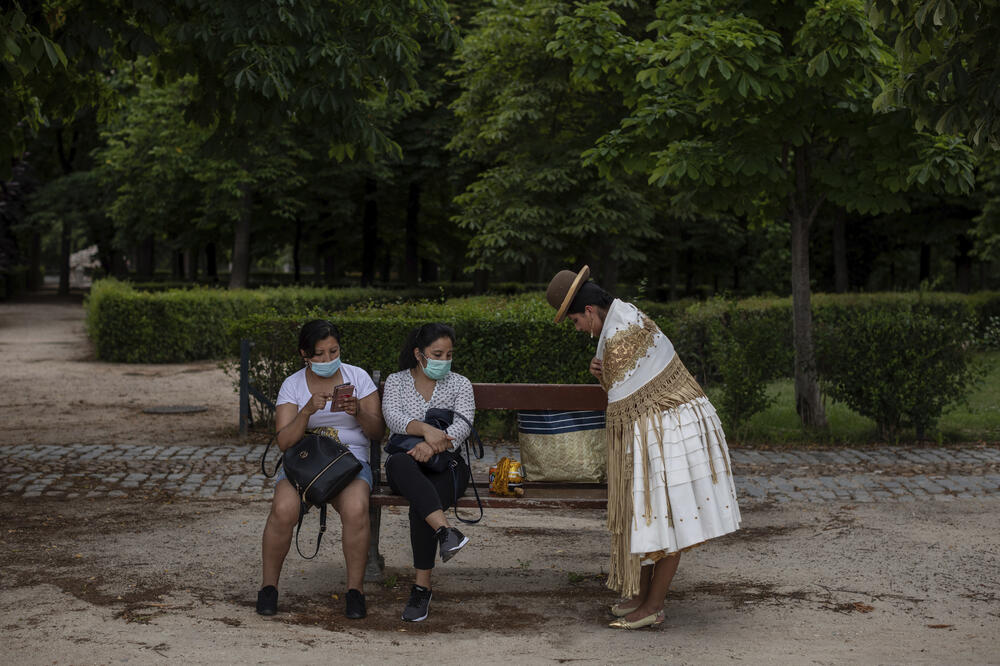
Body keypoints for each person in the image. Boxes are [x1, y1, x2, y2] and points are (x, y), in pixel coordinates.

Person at [545, 266, 741, 629]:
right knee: (649, 515)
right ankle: (640, 596)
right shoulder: (626, 312)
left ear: (588, 311)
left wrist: (607, 376)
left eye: (574, 320)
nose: (576, 329)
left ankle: (653, 605)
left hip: (671, 425)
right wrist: (603, 374)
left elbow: (620, 409)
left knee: (666, 517)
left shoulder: (619, 339)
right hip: (666, 420)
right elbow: (627, 382)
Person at [256, 319, 384, 619]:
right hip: (305, 463)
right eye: (319, 354)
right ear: (305, 355)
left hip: (349, 462)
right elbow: (285, 441)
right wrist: (307, 411)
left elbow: (378, 433)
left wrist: (359, 412)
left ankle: (355, 591)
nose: (328, 359)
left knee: (355, 509)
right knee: (283, 508)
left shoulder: (358, 377)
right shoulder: (294, 384)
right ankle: (268, 588)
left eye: (333, 351)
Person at [381, 323, 476, 622]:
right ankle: (446, 532)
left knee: (422, 503)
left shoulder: (461, 384)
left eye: (449, 354)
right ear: (419, 354)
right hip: (407, 464)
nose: (444, 361)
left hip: (446, 466)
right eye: (437, 354)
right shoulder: (396, 382)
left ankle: (422, 588)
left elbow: (462, 426)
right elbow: (393, 417)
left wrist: (432, 447)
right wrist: (426, 431)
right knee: (398, 462)